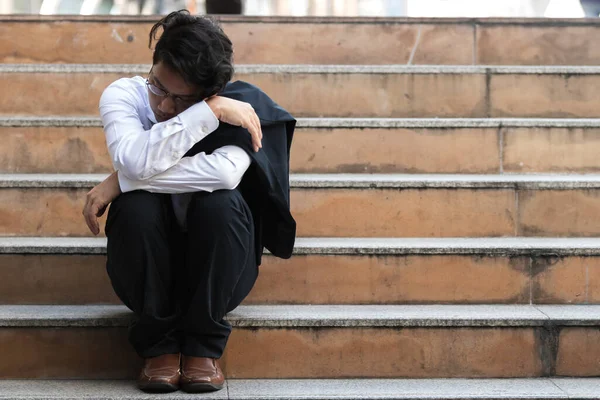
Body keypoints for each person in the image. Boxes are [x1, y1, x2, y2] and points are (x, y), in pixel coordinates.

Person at [82, 9, 295, 393]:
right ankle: (158, 347)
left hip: (221, 267)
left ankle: (203, 346)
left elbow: (225, 174)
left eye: (183, 101)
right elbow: (134, 159)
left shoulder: (242, 108)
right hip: (145, 268)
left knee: (221, 203)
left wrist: (120, 182)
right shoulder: (124, 95)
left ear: (212, 92)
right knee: (137, 207)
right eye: (159, 87)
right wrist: (205, 114)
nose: (164, 107)